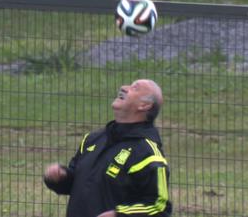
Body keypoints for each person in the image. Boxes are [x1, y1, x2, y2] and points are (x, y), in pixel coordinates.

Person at [44, 79, 172, 217]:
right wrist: (60, 177)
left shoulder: (148, 153)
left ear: (144, 105)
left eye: (135, 88)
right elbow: (77, 185)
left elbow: (158, 207)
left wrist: (119, 215)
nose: (123, 87)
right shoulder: (92, 139)